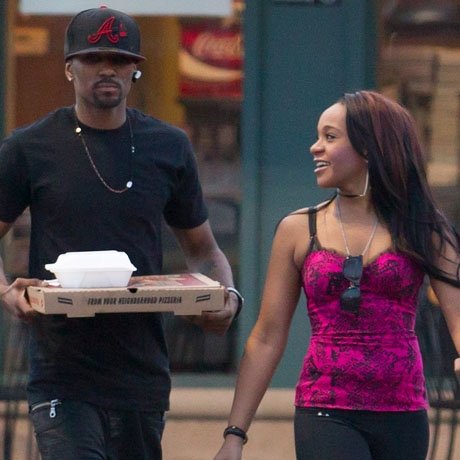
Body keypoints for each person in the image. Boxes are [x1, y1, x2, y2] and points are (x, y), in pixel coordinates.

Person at [0, 6, 243, 460]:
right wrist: (5, 291)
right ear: (69, 68)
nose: (108, 68)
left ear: (134, 70)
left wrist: (225, 296)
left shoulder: (168, 146)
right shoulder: (29, 147)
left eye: (120, 59)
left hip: (140, 372)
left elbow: (203, 249)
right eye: (93, 58)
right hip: (62, 371)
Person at [213, 90, 460, 460]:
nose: (315, 147)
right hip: (325, 408)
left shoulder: (424, 227)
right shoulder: (298, 229)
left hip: (404, 410)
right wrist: (235, 434)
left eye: (329, 137)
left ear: (369, 148)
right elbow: (266, 337)